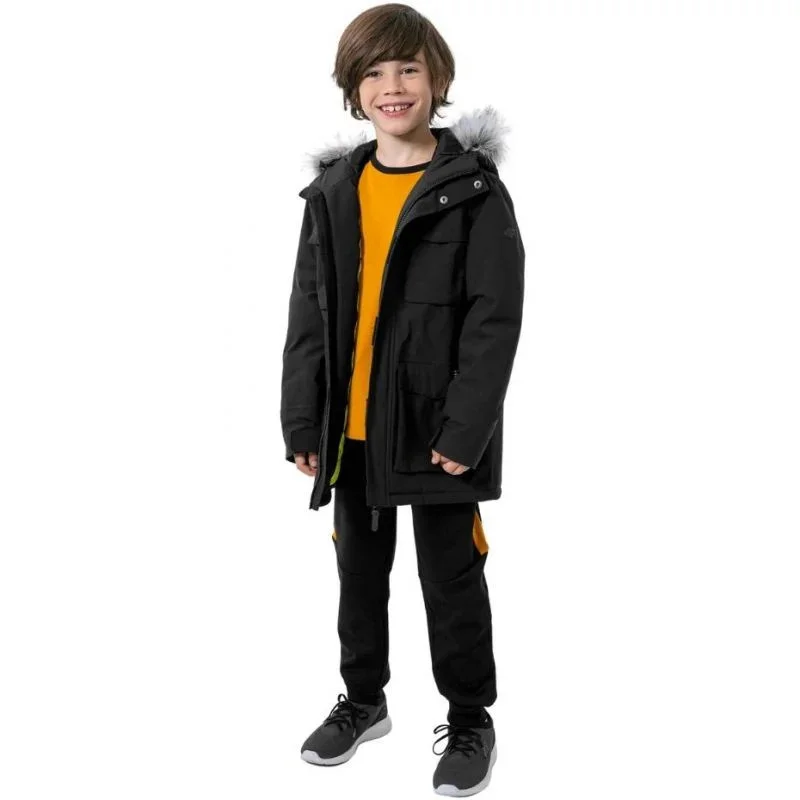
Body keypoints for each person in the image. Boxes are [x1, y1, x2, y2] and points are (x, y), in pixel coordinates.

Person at [280, 3, 525, 795]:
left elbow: (493, 320)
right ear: (354, 89)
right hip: (350, 432)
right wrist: (303, 417)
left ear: (437, 79)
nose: (393, 86)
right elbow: (309, 312)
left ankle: (471, 717)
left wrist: (467, 427)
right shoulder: (334, 191)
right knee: (358, 573)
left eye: (409, 69)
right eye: (375, 72)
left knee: (451, 578)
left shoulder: (472, 191)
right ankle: (364, 701)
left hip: (435, 430)